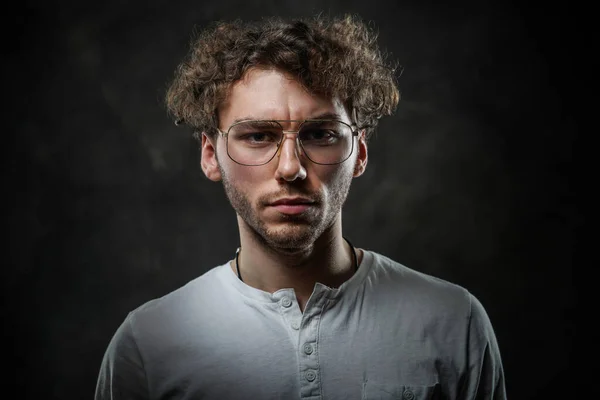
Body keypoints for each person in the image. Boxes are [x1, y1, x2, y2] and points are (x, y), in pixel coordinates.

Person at [95, 14, 506, 400]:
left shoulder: (454, 321)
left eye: (321, 134)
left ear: (359, 152)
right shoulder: (148, 344)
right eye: (257, 136)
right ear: (209, 154)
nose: (290, 168)